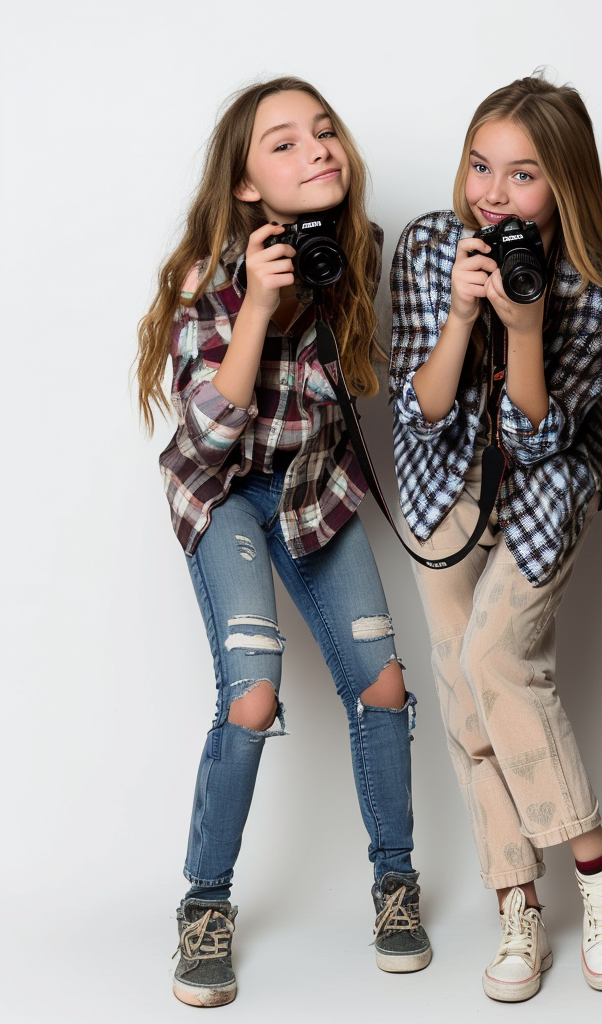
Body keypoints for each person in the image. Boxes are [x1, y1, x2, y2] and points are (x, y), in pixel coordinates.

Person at [136, 77, 430, 1007]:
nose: (318, 148)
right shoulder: (206, 275)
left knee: (382, 681)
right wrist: (260, 307)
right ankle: (206, 902)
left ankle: (394, 882)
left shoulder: (353, 255)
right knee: (254, 693)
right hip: (220, 492)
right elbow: (206, 439)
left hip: (315, 490)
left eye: (326, 130)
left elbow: (357, 395)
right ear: (247, 184)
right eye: (285, 141)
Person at [389, 75, 602, 1002]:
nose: (492, 193)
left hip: (545, 486)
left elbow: (541, 436)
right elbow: (420, 414)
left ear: (561, 185)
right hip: (441, 480)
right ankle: (515, 901)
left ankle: (598, 864)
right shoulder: (427, 244)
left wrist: (524, 326)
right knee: (460, 690)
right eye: (480, 165)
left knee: (499, 661)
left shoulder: (590, 281)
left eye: (522, 174)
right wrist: (462, 317)